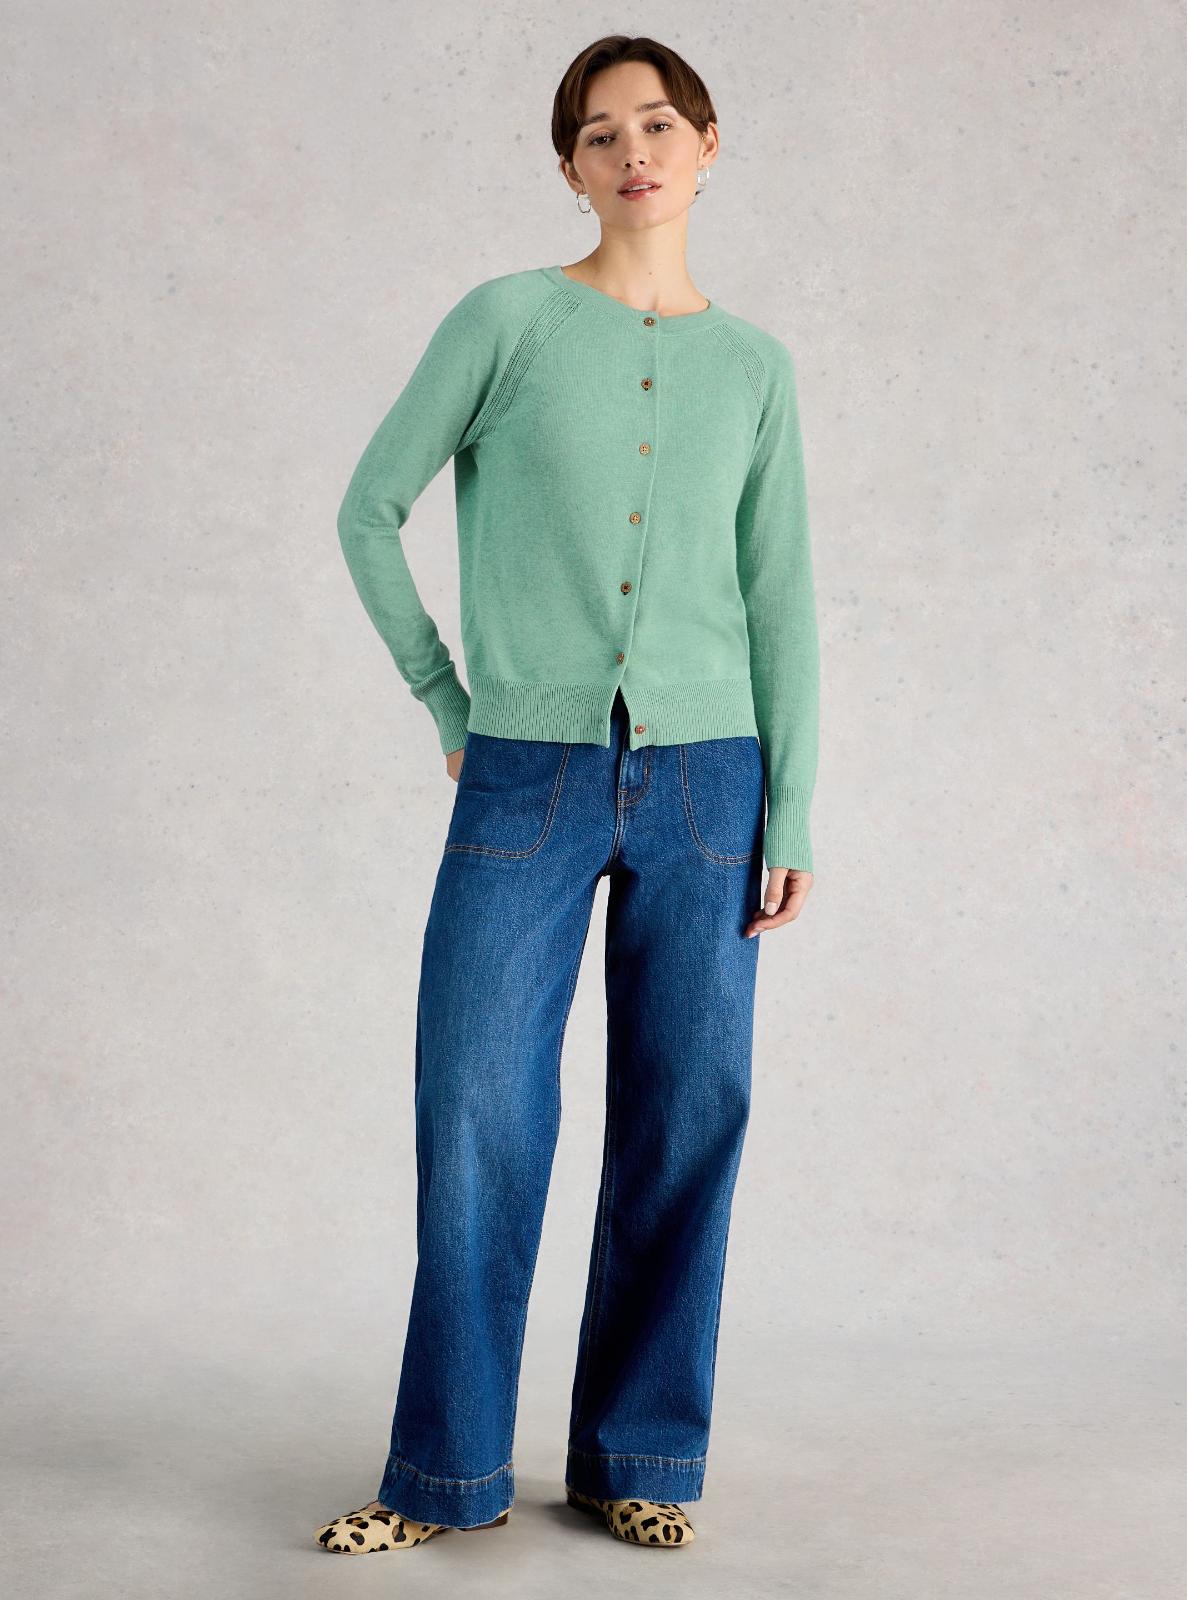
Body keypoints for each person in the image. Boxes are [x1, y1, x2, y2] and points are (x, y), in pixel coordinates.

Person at [315, 31, 819, 1555]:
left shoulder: (755, 367)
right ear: (568, 169)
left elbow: (779, 596)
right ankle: (443, 1475)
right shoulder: (508, 321)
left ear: (709, 146)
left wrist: (793, 808)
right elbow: (368, 508)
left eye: (658, 124)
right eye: (600, 135)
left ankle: (637, 1458)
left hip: (709, 783)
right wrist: (448, 702)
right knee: (477, 1112)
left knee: (687, 1118)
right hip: (524, 774)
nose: (632, 152)